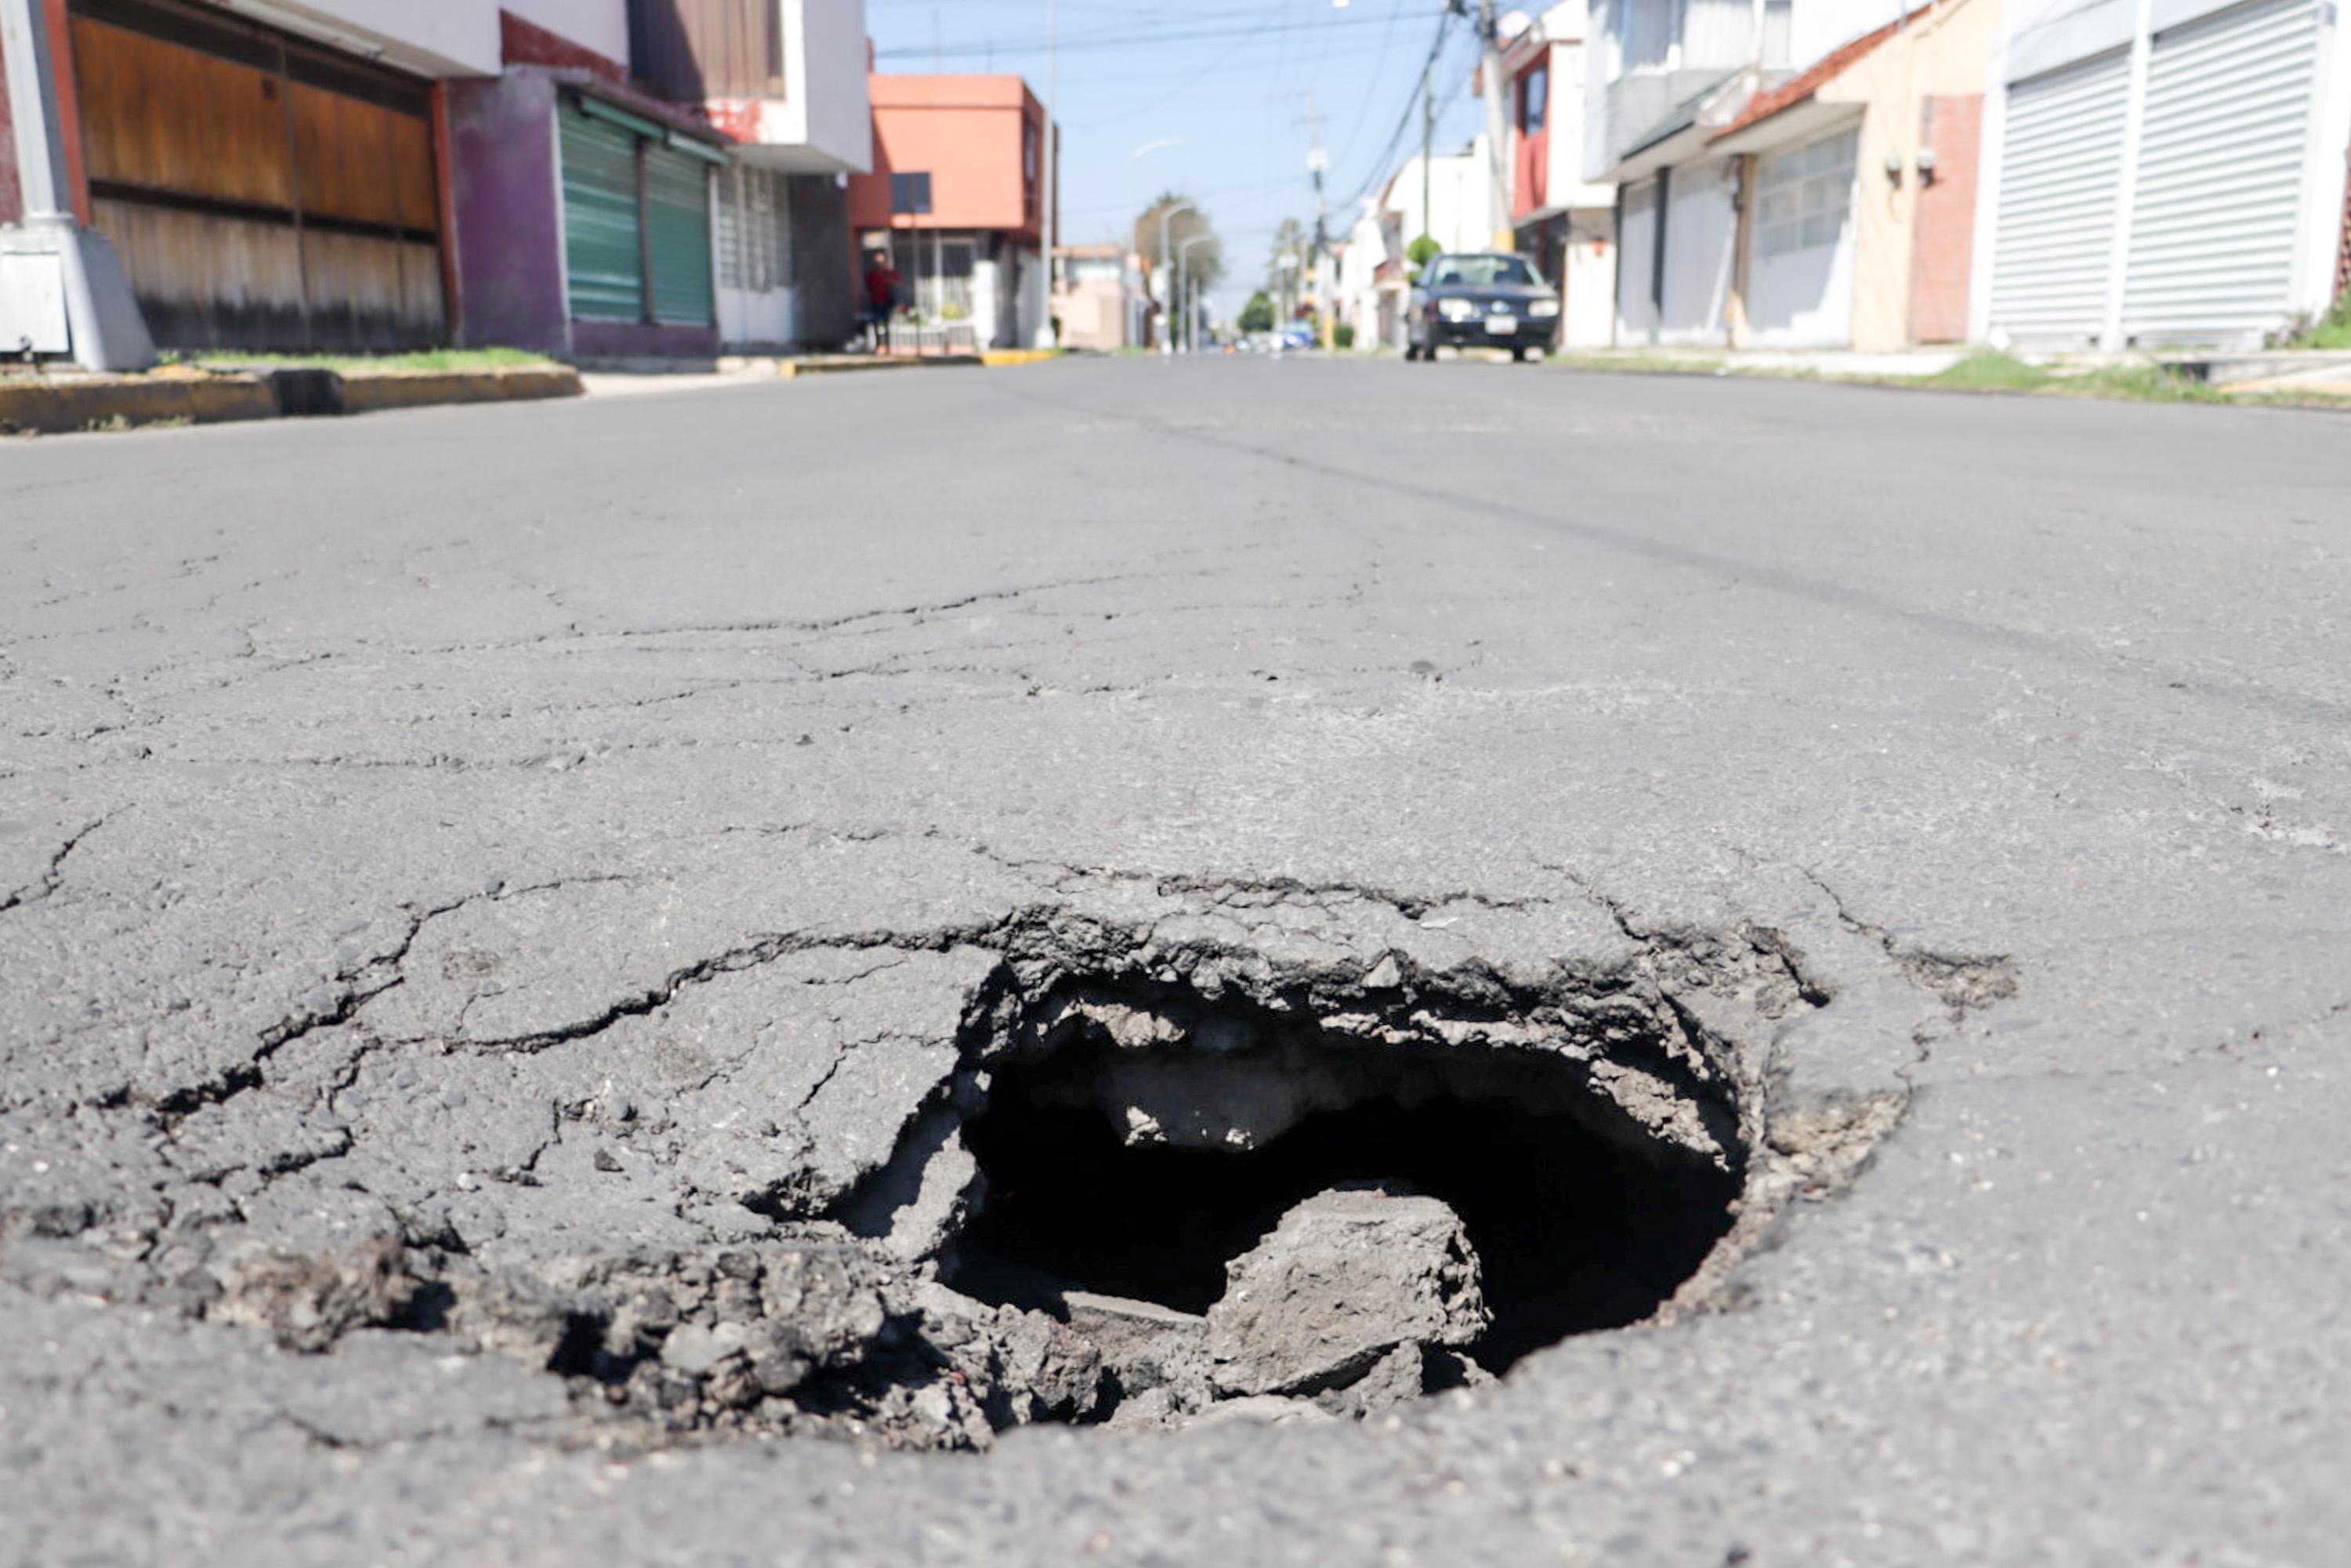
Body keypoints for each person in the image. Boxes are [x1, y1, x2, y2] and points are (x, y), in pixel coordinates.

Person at [863, 252, 901, 353]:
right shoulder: (872, 274)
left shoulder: (889, 273)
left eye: (881, 261)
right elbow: (868, 287)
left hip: (887, 302)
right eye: (877, 262)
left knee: (886, 324)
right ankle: (878, 346)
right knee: (875, 324)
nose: (879, 264)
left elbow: (897, 282)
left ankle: (888, 347)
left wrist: (887, 279)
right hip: (875, 302)